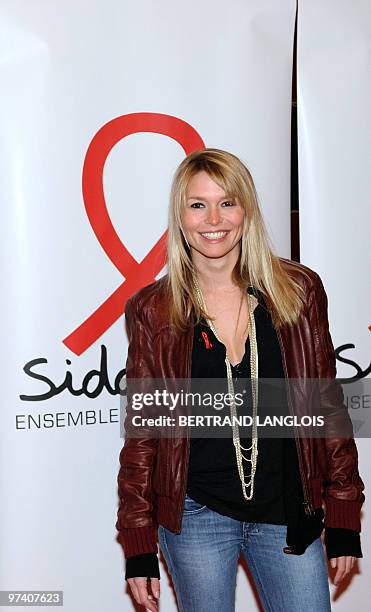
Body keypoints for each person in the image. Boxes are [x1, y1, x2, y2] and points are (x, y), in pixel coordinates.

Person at [116, 149, 365, 612]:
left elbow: (326, 404)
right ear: (180, 216)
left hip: (287, 511)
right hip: (195, 515)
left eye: (227, 202)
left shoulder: (299, 290)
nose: (214, 218)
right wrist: (137, 544)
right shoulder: (154, 309)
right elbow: (144, 434)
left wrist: (345, 512)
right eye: (197, 204)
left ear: (246, 209)